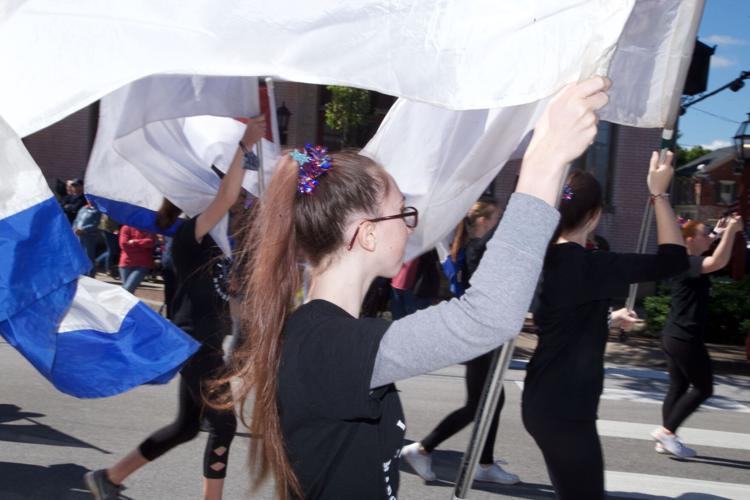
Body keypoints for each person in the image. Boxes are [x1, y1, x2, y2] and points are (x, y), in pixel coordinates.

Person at [215, 76, 612, 500]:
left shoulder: (327, 333)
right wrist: (543, 163)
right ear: (366, 235)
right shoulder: (328, 344)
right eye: (402, 212)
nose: (412, 222)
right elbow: (487, 316)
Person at [84, 116, 267, 500]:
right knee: (223, 424)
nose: (228, 198)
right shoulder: (191, 232)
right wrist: (245, 147)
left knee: (186, 426)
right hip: (194, 341)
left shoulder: (217, 243)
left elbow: (223, 294)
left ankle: (110, 478)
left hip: (208, 341)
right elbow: (229, 197)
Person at [521, 151, 689, 500]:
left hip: (544, 401)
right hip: (566, 410)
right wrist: (659, 194)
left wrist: (608, 318)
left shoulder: (544, 256)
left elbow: (560, 318)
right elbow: (674, 259)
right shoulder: (592, 265)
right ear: (595, 216)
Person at [402, 199, 520, 485]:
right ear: (482, 222)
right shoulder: (477, 249)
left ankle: (485, 462)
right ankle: (422, 448)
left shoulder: (471, 248)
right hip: (480, 335)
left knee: (492, 400)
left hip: (481, 334)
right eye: (496, 218)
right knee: (481, 403)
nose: (499, 222)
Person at [652, 212, 744, 458]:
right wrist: (733, 232)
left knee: (679, 385)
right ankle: (667, 433)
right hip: (685, 337)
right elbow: (717, 262)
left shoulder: (685, 260)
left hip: (673, 335)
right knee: (704, 388)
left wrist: (720, 233)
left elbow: (712, 245)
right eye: (706, 234)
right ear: (690, 239)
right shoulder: (689, 262)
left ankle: (665, 439)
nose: (710, 237)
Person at [117, 224, 156, 293]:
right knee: (128, 291)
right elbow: (123, 244)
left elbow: (151, 242)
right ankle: (124, 303)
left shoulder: (150, 228)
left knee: (128, 289)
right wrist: (142, 246)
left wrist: (134, 242)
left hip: (142, 264)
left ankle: (118, 303)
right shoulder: (126, 227)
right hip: (126, 263)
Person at [72, 199, 102, 277]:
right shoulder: (83, 208)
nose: (90, 200)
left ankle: (90, 275)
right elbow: (76, 220)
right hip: (78, 235)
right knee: (79, 255)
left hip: (89, 236)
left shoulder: (97, 211)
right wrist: (74, 229)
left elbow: (96, 224)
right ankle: (81, 274)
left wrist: (83, 230)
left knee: (88, 256)